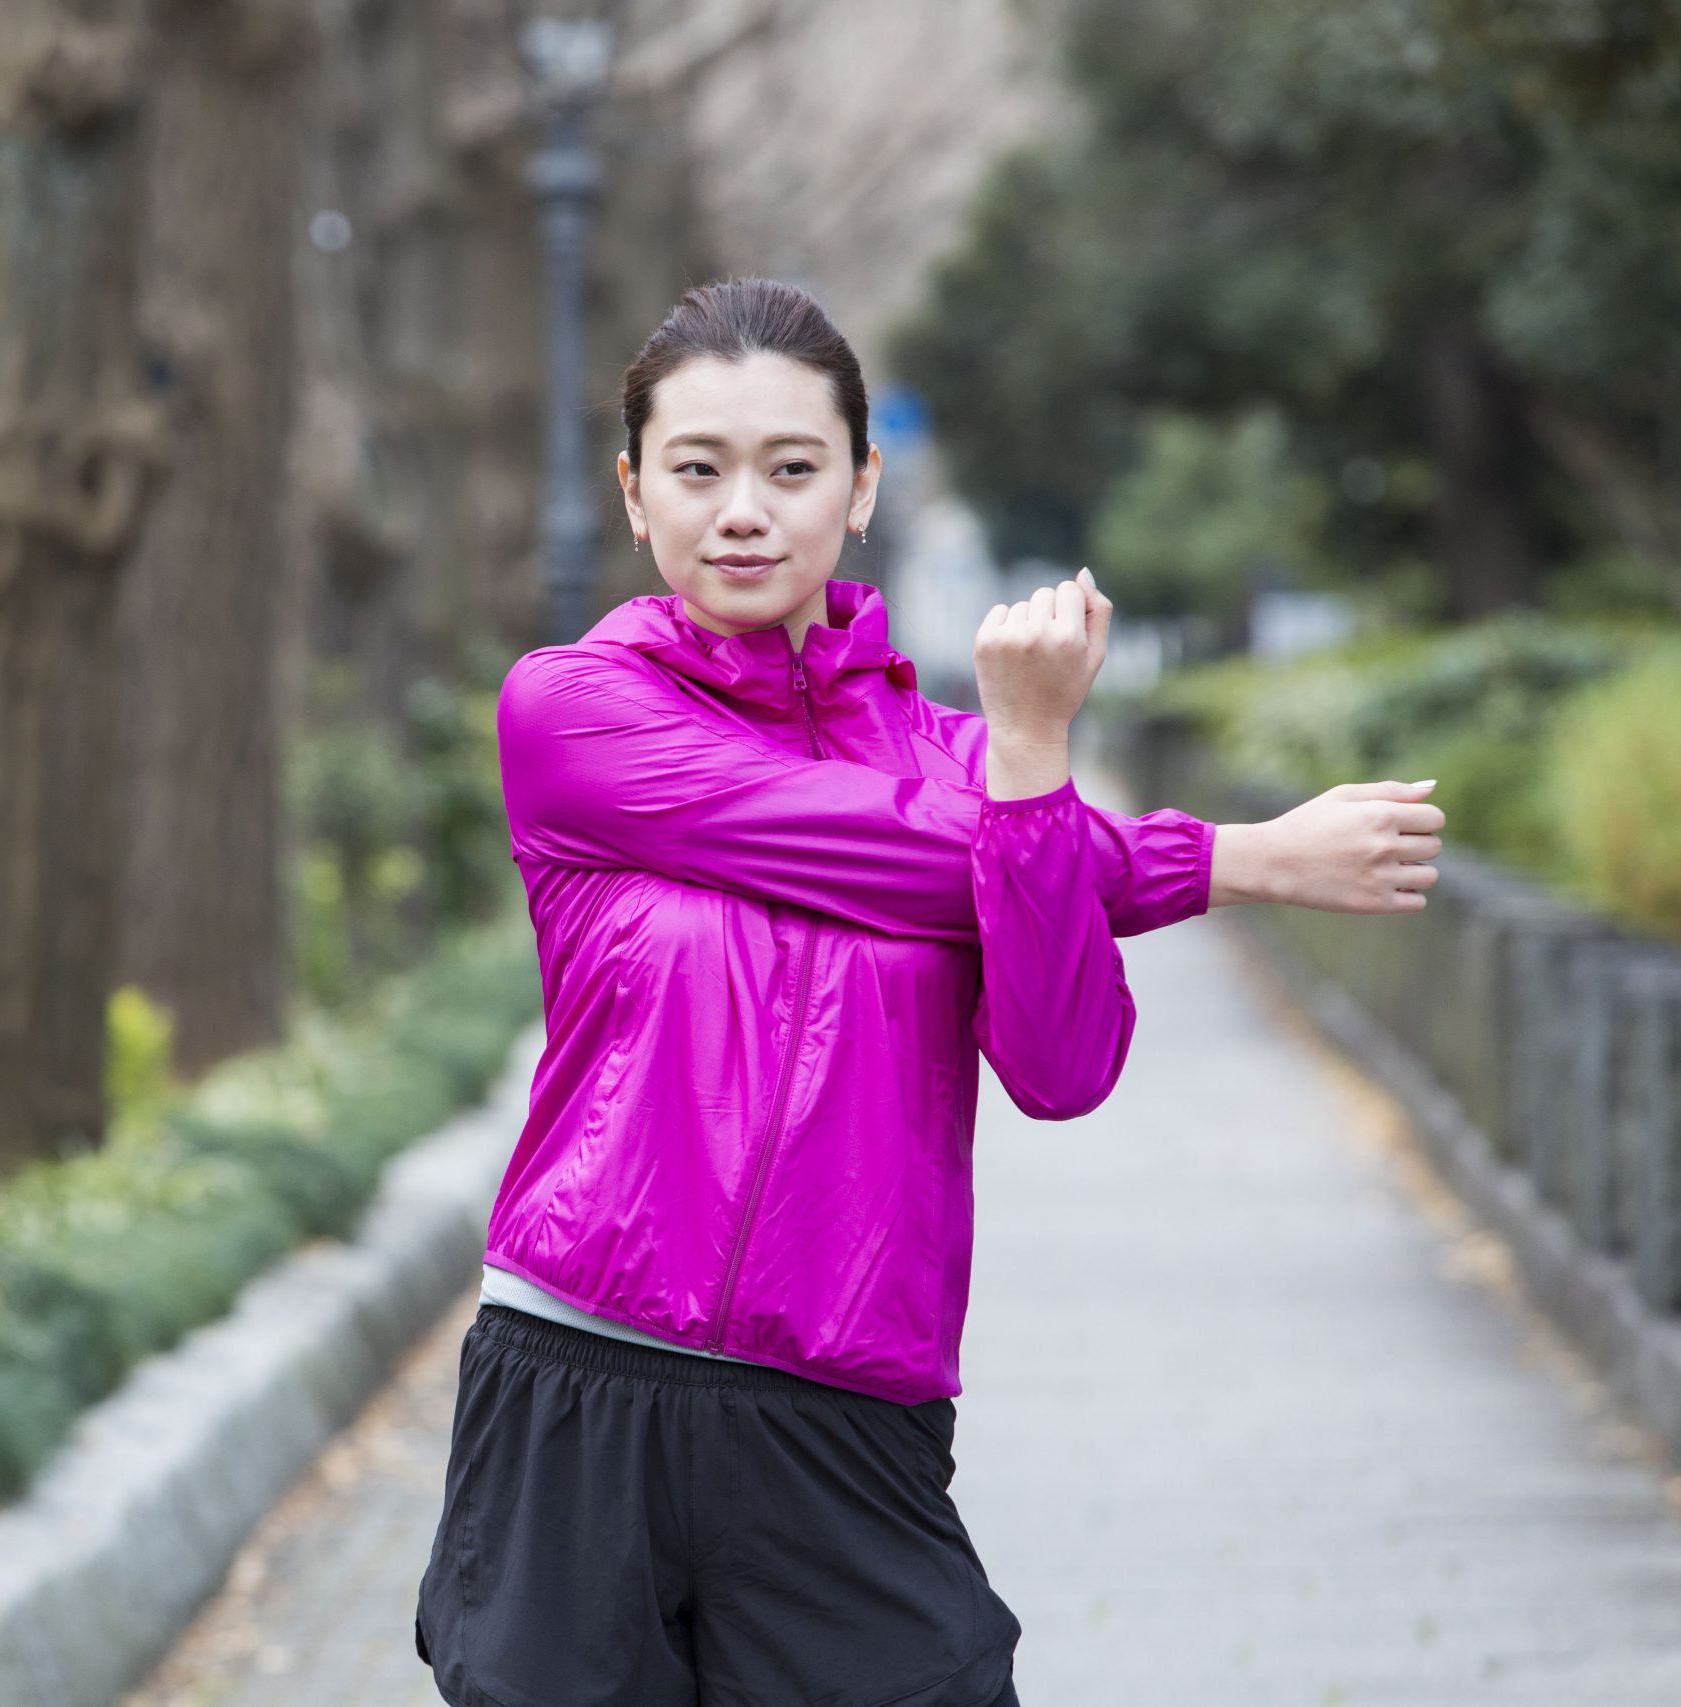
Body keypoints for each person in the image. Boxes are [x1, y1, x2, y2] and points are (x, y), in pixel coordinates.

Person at [411, 277, 1444, 1707]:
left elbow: (1063, 1064)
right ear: (635, 495)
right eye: (697, 471)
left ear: (863, 486)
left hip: (850, 1413)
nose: (744, 512)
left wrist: (1025, 755)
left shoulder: (972, 762)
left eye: (792, 468)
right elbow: (865, 843)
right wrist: (1232, 857)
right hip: (581, 1384)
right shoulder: (575, 714)